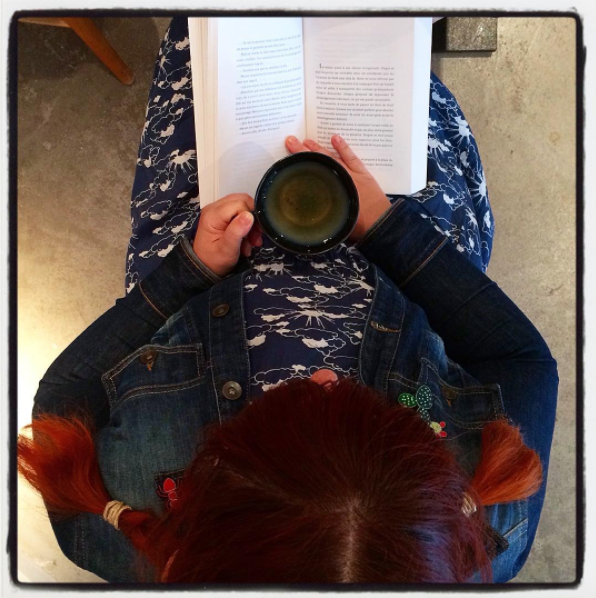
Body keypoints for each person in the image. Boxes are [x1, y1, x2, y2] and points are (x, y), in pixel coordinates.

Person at [17, 18, 558, 584]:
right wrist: (392, 230)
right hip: (405, 259)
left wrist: (188, 270)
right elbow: (519, 360)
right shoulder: (488, 530)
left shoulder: (108, 522)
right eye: (357, 400)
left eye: (293, 397)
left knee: (215, 36)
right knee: (381, 42)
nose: (324, 375)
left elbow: (64, 394)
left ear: (212, 476)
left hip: (204, 260)